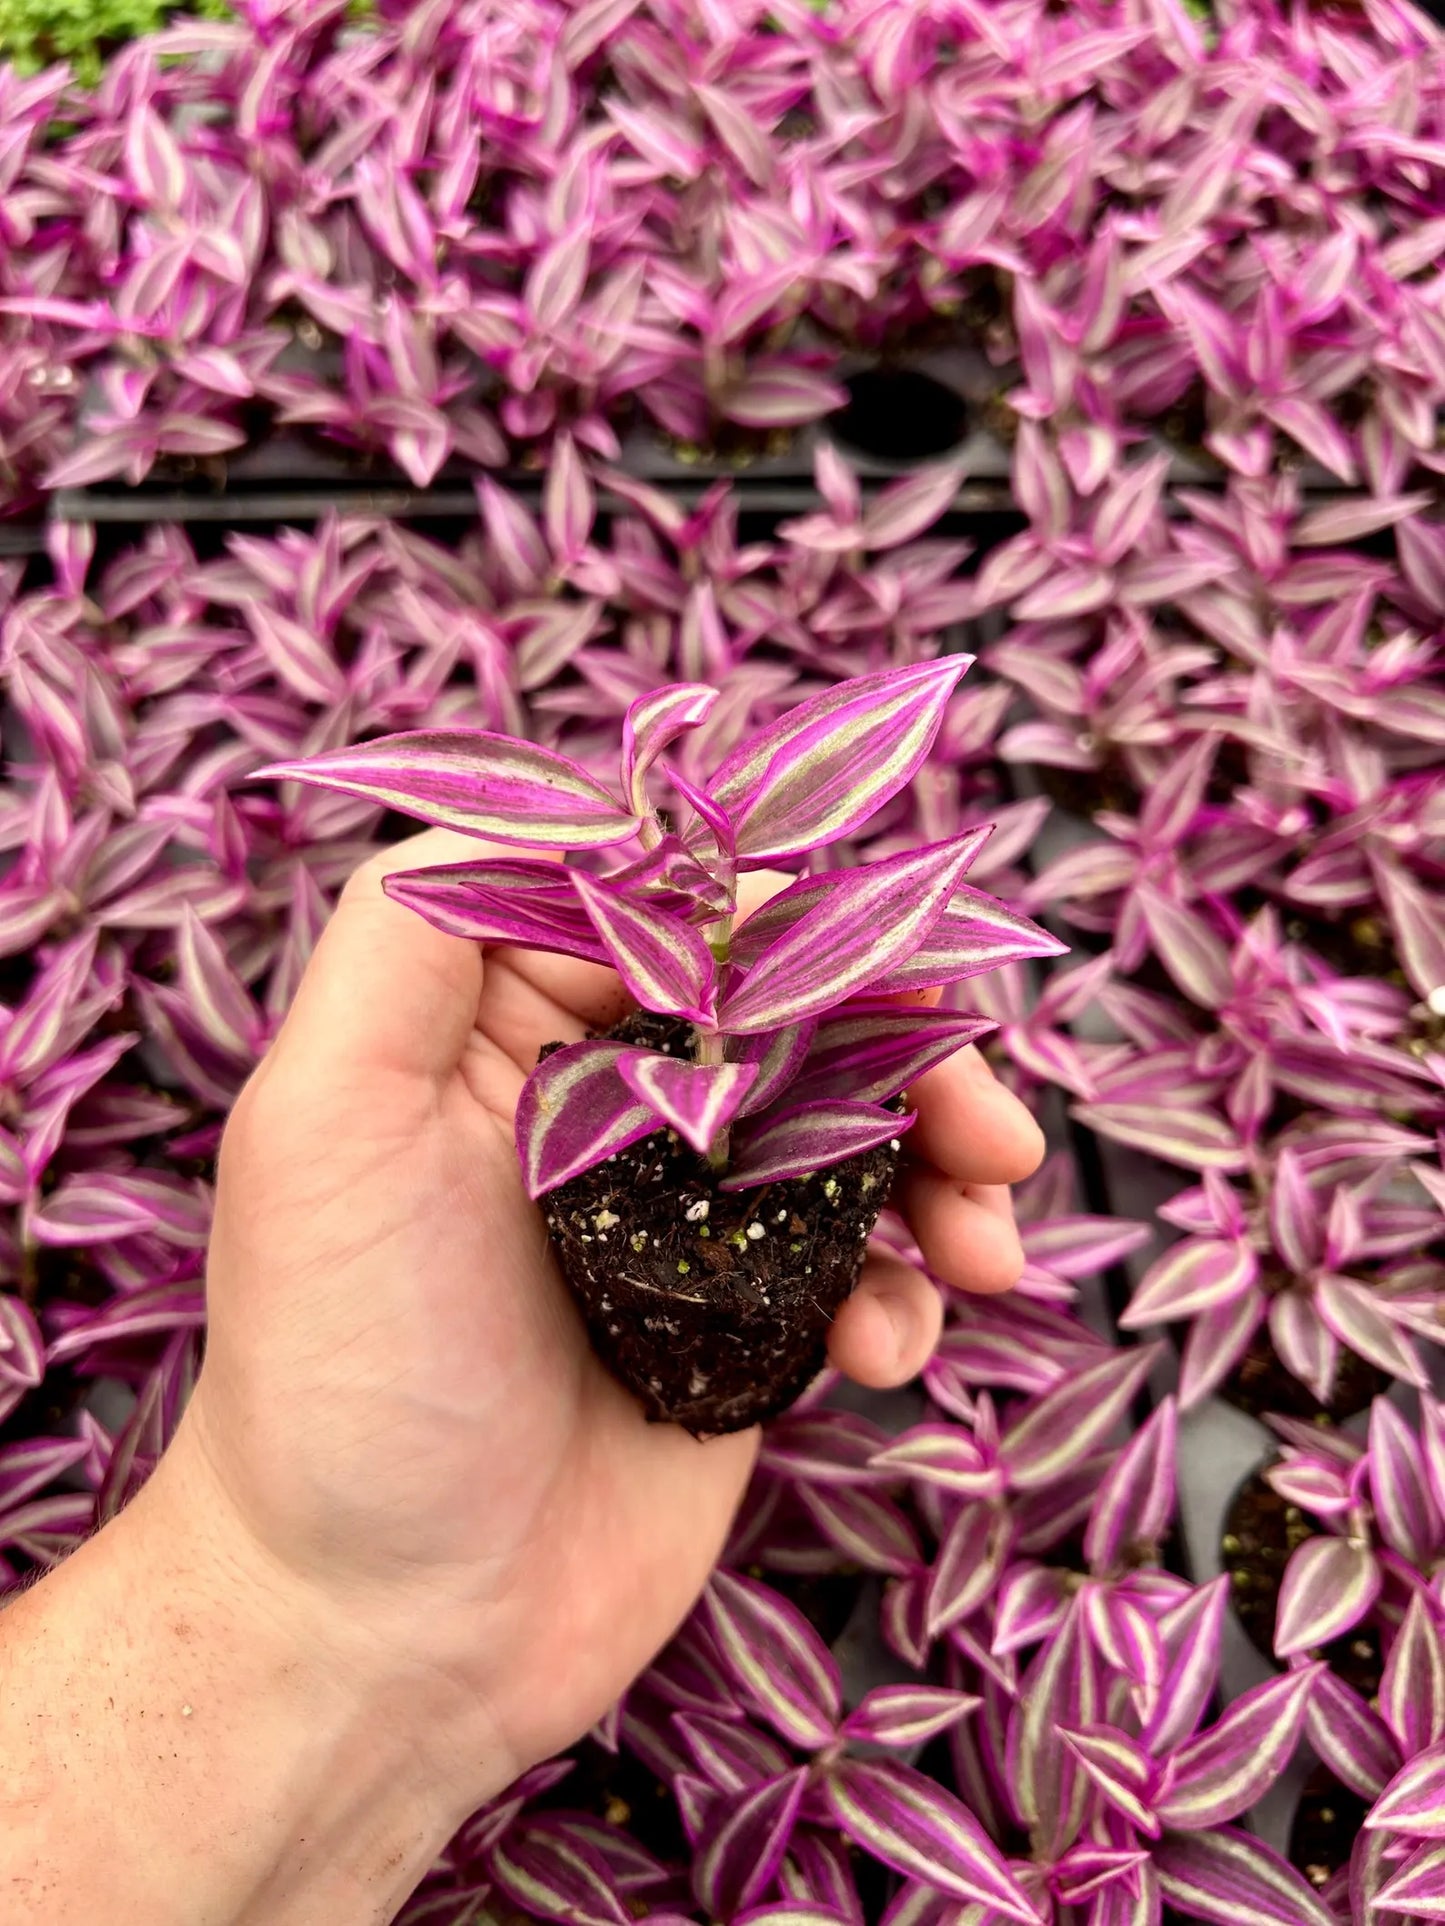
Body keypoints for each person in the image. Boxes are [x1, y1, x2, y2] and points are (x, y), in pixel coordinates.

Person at [0, 829, 1044, 1924]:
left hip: (734, 1235)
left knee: (856, 1084)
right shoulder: (585, 1068)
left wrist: (298, 1616)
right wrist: (292, 1599)